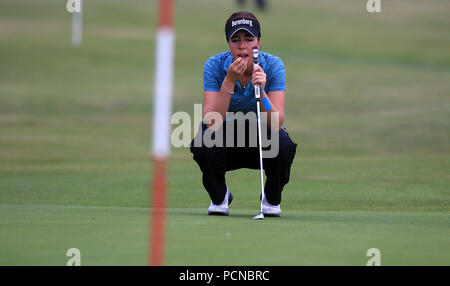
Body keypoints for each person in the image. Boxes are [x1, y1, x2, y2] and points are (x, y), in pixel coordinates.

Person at [190, 11, 297, 217]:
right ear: (228, 43)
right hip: (225, 138)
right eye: (235, 39)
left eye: (249, 39)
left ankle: (271, 199)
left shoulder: (274, 65)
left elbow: (276, 122)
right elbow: (211, 121)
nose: (242, 46)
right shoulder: (214, 65)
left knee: (284, 146)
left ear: (259, 42)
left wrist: (262, 90)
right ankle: (220, 197)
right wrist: (229, 80)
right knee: (203, 142)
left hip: (262, 139)